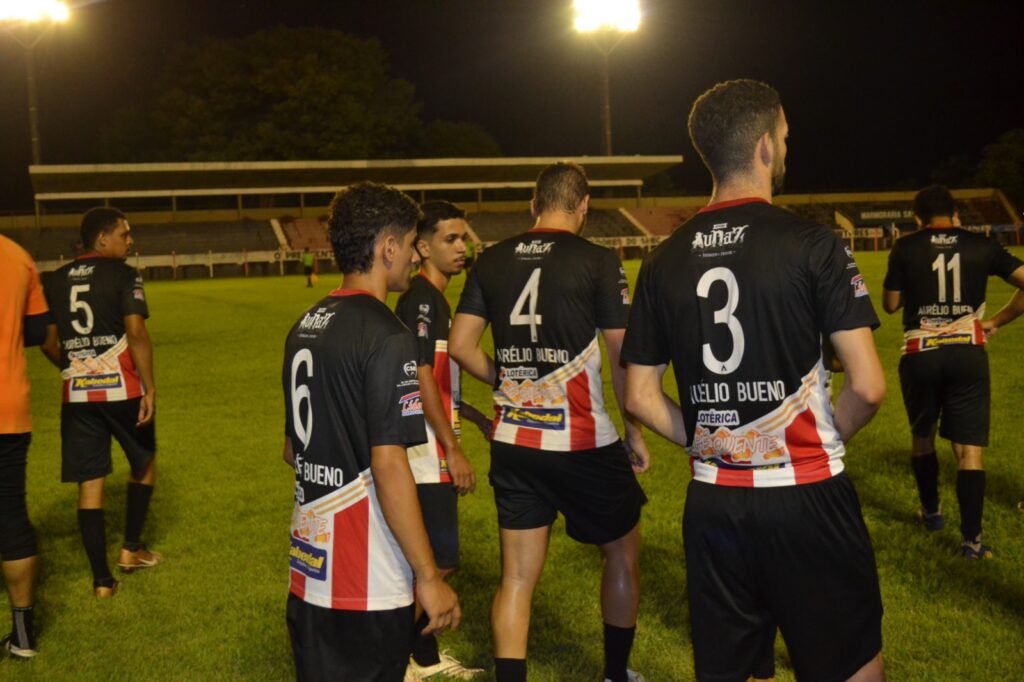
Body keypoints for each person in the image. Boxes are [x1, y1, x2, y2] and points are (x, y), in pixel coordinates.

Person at [622, 79, 886, 681]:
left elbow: (638, 395)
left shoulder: (661, 260)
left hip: (714, 501)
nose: (787, 148)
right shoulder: (813, 244)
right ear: (765, 145)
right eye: (785, 137)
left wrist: (717, 441)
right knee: (848, 662)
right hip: (806, 496)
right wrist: (815, 441)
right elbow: (868, 386)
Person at [450, 162, 650, 682]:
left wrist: (508, 380)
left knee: (516, 578)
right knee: (622, 554)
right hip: (583, 442)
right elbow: (622, 353)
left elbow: (461, 347)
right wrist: (634, 430)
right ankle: (615, 674)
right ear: (583, 206)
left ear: (533, 204)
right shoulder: (599, 261)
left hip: (514, 440)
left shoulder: (492, 260)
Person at [282, 182, 460, 681]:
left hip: (309, 569)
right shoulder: (387, 335)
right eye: (410, 244)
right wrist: (428, 575)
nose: (414, 256)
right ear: (387, 247)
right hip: (366, 581)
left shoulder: (305, 324)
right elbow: (388, 464)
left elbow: (293, 450)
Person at [882, 184, 1024, 559]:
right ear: (954, 212)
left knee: (923, 436)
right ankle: (972, 542)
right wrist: (996, 321)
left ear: (918, 217)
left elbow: (891, 304)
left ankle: (932, 514)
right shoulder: (982, 244)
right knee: (969, 450)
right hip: (967, 353)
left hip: (921, 352)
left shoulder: (906, 246)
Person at [393, 200, 490, 680]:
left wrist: (473, 416)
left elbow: (439, 381)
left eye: (463, 237)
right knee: (440, 563)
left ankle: (424, 660)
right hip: (426, 452)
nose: (461, 247)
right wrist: (452, 448)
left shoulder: (434, 299)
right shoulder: (422, 299)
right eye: (450, 239)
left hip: (432, 445)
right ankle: (387, 659)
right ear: (423, 247)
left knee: (427, 563)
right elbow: (420, 375)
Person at [43, 207, 160, 598]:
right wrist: (149, 388)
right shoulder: (125, 275)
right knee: (144, 462)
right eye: (124, 234)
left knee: (90, 482)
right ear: (102, 239)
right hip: (122, 389)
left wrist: (77, 367)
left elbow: (48, 343)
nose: (130, 241)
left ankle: (102, 582)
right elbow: (136, 332)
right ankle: (131, 549)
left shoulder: (55, 279)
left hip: (77, 395)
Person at [0, 235, 57, 657]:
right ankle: (22, 636)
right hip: (8, 407)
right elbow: (39, 331)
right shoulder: (17, 255)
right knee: (11, 516)